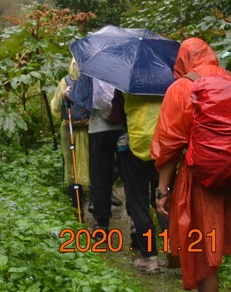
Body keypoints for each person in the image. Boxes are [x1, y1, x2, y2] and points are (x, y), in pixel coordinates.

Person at [152, 38, 231, 292]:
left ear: (182, 60)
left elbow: (169, 144)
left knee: (203, 249)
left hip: (200, 178)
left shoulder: (182, 87)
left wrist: (162, 190)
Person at [122, 90, 170, 274]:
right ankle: (172, 248)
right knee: (165, 196)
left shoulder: (127, 81)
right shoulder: (168, 79)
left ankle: (150, 258)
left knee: (139, 204)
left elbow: (115, 114)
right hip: (164, 145)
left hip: (138, 146)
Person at [49, 58, 91, 202]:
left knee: (72, 166)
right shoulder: (93, 79)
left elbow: (55, 108)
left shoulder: (65, 81)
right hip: (89, 128)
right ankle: (95, 200)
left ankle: (77, 205)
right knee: (92, 163)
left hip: (70, 129)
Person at [87, 76, 123, 232]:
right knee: (130, 176)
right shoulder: (127, 65)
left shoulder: (93, 66)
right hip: (124, 126)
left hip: (99, 128)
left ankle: (102, 224)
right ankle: (136, 222)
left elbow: (81, 97)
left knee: (100, 175)